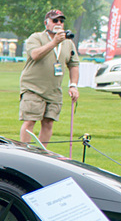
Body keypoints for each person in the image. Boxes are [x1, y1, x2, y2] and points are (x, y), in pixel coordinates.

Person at [18, 9, 79, 146]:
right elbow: (35, 55)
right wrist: (54, 42)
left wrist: (73, 85)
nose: (58, 23)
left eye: (61, 21)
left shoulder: (68, 43)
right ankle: (24, 153)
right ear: (46, 23)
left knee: (48, 123)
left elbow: (74, 64)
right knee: (30, 121)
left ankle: (41, 154)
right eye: (55, 20)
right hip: (33, 87)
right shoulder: (36, 37)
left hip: (54, 90)